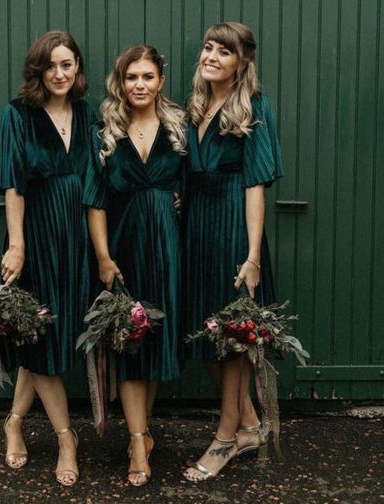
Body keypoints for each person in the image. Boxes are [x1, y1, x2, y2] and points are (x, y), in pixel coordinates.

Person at [0, 30, 97, 487]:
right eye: (51, 65)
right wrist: (17, 244)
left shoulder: (87, 114)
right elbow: (14, 182)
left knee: (48, 338)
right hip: (36, 234)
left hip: (77, 238)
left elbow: (99, 177)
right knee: (39, 337)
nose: (59, 73)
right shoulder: (18, 115)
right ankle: (65, 437)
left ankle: (14, 421)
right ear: (39, 69)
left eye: (67, 64)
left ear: (77, 68)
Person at [182, 22, 284, 482]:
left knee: (233, 339)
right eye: (208, 48)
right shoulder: (195, 107)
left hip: (232, 232)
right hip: (195, 232)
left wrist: (252, 255)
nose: (212, 57)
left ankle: (224, 438)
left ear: (242, 62)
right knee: (206, 336)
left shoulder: (254, 108)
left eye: (224, 52)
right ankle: (247, 426)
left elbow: (255, 186)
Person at [83, 45, 186, 486]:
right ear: (120, 82)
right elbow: (95, 201)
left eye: (147, 77)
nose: (139, 85)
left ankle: (138, 435)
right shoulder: (106, 130)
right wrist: (104, 257)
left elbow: (194, 187)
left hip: (166, 249)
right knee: (128, 342)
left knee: (156, 339)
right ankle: (138, 441)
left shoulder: (179, 127)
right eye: (131, 78)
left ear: (161, 80)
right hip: (122, 250)